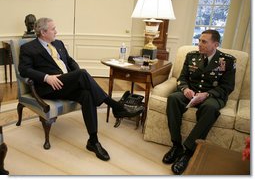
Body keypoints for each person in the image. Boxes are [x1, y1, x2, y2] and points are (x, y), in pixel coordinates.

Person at [19, 17, 143, 161]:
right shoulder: (28, 48)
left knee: (86, 95)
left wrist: (75, 76)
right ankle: (115, 106)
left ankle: (93, 141)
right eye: (53, 29)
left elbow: (71, 62)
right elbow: (24, 70)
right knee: (83, 73)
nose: (56, 32)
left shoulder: (58, 44)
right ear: (43, 32)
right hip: (50, 87)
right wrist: (47, 77)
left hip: (67, 82)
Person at [162, 30, 236, 175]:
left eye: (204, 41)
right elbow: (182, 78)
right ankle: (176, 145)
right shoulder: (191, 56)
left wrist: (207, 94)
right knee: (173, 98)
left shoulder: (227, 60)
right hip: (191, 93)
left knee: (210, 108)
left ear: (215, 44)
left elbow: (227, 87)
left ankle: (188, 151)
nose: (199, 44)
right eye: (199, 40)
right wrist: (185, 89)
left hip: (212, 96)